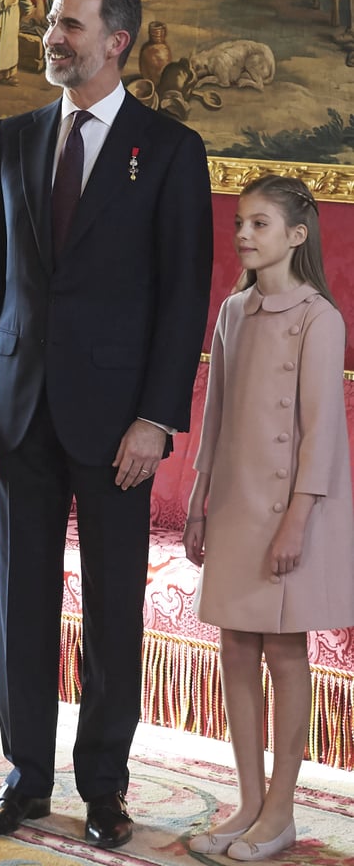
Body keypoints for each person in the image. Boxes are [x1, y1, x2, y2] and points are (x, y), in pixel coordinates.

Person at [0, 0, 213, 849]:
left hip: (117, 428)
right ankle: (25, 780)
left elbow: (184, 298)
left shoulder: (170, 148)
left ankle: (104, 786)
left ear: (117, 42)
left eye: (68, 25)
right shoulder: (14, 137)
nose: (50, 37)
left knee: (113, 614)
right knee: (20, 604)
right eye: (49, 24)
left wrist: (157, 418)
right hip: (18, 409)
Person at [184, 175, 354, 861]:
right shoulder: (234, 312)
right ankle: (249, 801)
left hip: (293, 509)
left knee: (284, 652)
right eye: (239, 224)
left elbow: (322, 431)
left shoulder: (320, 318)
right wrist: (198, 504)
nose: (244, 235)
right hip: (232, 502)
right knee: (234, 648)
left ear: (296, 235)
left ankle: (281, 812)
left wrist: (296, 520)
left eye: (259, 224)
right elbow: (215, 416)